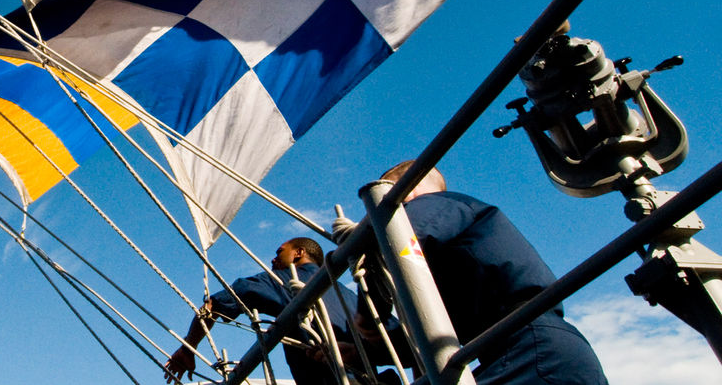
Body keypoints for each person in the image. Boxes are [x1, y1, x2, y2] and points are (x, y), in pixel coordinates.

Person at [361, 161, 609, 385]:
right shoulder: (453, 238)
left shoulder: (435, 205)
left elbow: (393, 246)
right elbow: (433, 337)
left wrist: (367, 314)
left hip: (530, 347)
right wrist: (365, 349)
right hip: (536, 349)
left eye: (392, 200)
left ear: (407, 191)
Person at [163, 237, 357, 385]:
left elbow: (213, 306)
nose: (273, 259)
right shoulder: (349, 294)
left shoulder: (280, 280)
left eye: (279, 252)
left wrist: (188, 348)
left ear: (298, 253)